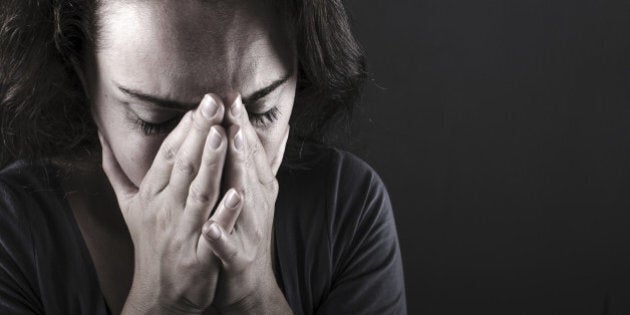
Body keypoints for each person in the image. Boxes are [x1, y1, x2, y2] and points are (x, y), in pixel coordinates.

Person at [0, 0, 406, 314]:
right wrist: (158, 303)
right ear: (82, 74)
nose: (218, 157)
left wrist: (255, 297)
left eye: (261, 112)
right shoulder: (13, 231)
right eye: (155, 121)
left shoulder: (346, 207)